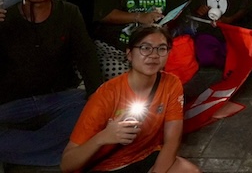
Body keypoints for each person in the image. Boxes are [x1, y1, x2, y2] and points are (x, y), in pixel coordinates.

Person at [0, 0, 102, 168]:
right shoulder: (4, 15)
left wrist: (96, 95)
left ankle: (31, 151)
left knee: (93, 111)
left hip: (60, 99)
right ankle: (61, 153)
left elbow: (87, 56)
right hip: (12, 104)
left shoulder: (69, 12)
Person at [61, 25, 200, 173]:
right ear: (129, 54)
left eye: (161, 48)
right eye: (145, 48)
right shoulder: (107, 94)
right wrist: (104, 137)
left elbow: (172, 141)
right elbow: (67, 164)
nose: (154, 55)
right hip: (107, 166)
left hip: (145, 155)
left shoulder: (171, 84)